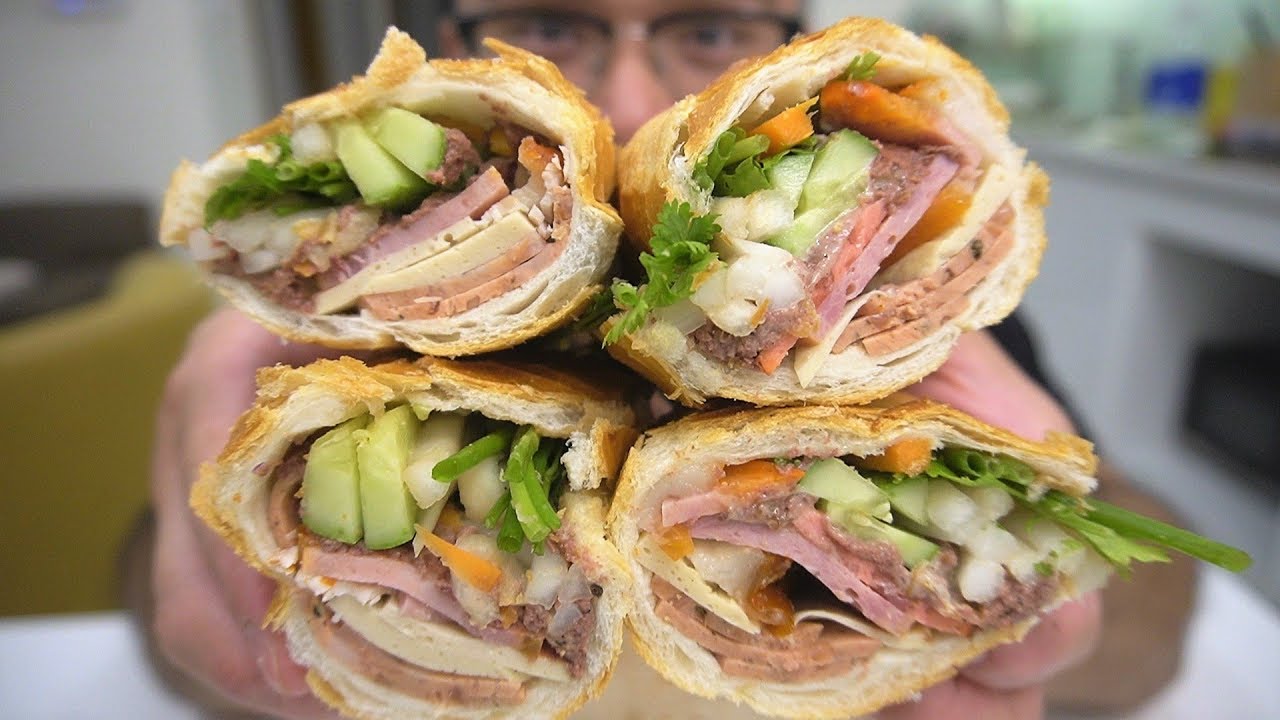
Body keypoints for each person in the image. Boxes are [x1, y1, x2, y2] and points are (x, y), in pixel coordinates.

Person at [132, 1, 1197, 718]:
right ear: (460, 45)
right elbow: (153, 603)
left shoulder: (939, 326)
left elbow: (1161, 620)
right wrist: (195, 551)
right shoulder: (291, 351)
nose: (632, 96)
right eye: (550, 23)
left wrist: (1047, 591)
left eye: (707, 28)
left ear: (783, 41)